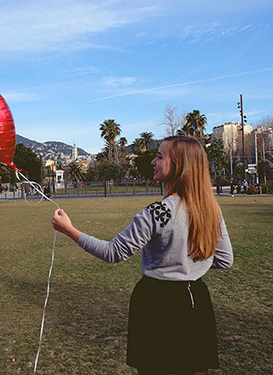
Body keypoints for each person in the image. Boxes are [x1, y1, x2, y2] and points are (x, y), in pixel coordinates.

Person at [51, 135, 233, 374]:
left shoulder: (157, 213)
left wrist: (70, 230)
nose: (153, 162)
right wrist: (189, 266)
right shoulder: (211, 208)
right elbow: (223, 259)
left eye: (159, 156)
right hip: (196, 302)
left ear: (178, 165)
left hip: (156, 303)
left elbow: (113, 252)